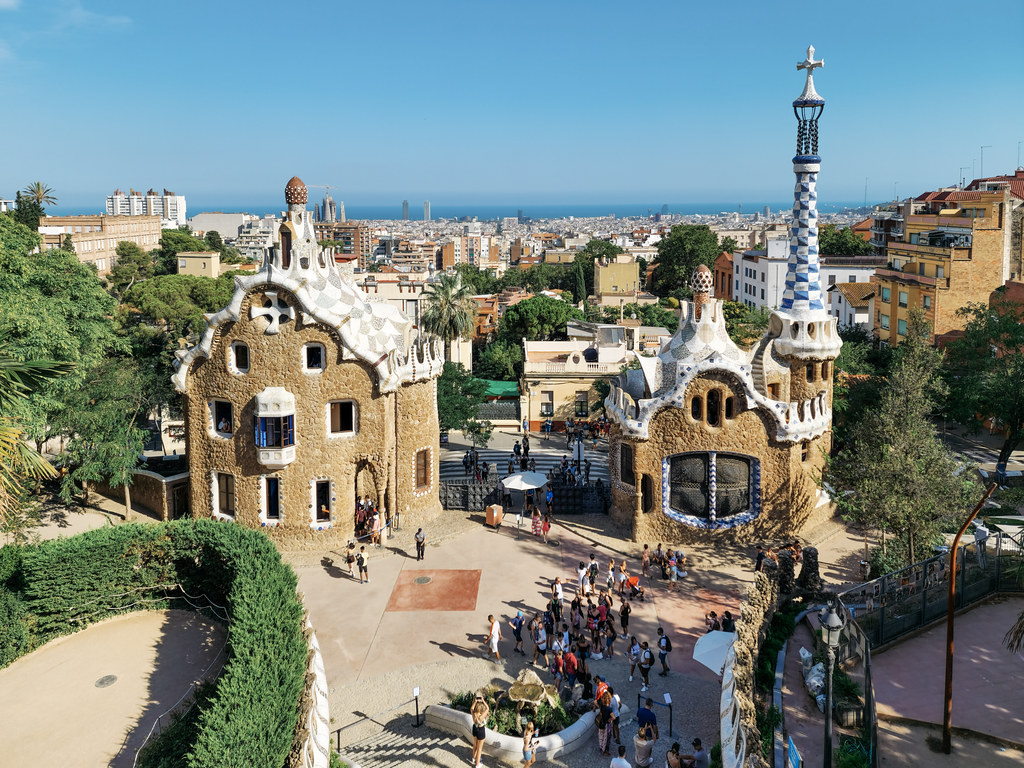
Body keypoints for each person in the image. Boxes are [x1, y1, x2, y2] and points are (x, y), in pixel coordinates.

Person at [470, 694, 489, 768]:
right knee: (480, 748)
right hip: (481, 730)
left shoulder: (473, 713)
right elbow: (487, 708)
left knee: (475, 744)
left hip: (475, 728)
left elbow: (471, 708)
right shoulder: (481, 716)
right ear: (481, 710)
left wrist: (475, 702)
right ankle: (477, 764)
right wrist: (483, 701)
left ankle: (473, 758)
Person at [594, 690, 613, 756]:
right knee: (606, 738)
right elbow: (612, 717)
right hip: (607, 724)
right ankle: (604, 750)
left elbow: (595, 701)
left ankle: (601, 747)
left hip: (601, 722)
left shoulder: (601, 704)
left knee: (601, 735)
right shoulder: (609, 709)